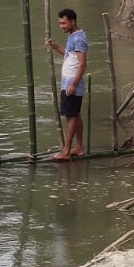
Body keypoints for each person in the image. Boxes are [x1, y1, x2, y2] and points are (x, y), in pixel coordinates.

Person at [45, 9, 87, 161]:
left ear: (73, 22)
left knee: (70, 115)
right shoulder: (73, 36)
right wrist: (55, 46)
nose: (61, 26)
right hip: (69, 82)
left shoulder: (79, 39)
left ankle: (66, 151)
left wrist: (74, 84)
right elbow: (70, 55)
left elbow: (82, 64)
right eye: (60, 23)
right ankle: (79, 147)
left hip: (72, 83)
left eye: (64, 23)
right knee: (75, 114)